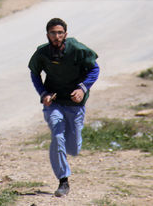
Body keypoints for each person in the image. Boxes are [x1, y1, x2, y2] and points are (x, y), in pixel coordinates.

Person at [28, 17, 100, 198]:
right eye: (53, 33)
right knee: (57, 135)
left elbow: (95, 69)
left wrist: (83, 89)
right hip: (54, 102)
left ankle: (68, 152)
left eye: (60, 33)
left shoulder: (78, 50)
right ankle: (63, 180)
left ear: (65, 35)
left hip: (75, 103)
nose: (56, 36)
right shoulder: (42, 53)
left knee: (73, 145)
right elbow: (34, 73)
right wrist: (43, 93)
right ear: (47, 35)